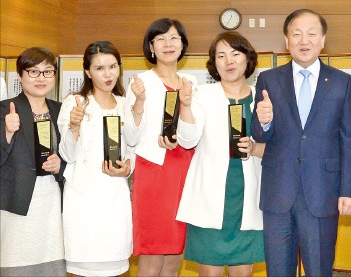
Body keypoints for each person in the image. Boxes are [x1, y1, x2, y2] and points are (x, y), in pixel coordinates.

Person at [251, 9, 351, 277]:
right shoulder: (269, 80)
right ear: (286, 41)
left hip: (323, 192)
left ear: (323, 40)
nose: (304, 40)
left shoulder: (342, 82)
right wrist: (264, 121)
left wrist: (349, 190)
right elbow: (259, 134)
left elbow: (349, 138)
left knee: (320, 270)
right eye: (296, 33)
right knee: (278, 270)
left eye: (312, 33)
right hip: (278, 193)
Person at [176, 32, 265, 277]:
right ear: (213, 63)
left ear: (247, 59)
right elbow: (187, 139)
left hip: (249, 199)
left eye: (236, 54)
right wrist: (185, 106)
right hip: (210, 198)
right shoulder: (202, 94)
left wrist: (257, 148)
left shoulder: (262, 96)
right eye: (221, 56)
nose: (229, 61)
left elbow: (278, 148)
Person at [124, 18, 197, 276]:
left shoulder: (190, 82)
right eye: (161, 39)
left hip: (186, 170)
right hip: (155, 171)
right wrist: (139, 101)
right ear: (151, 47)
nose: (168, 44)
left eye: (174, 38)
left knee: (175, 254)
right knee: (154, 253)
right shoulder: (140, 83)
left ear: (182, 45)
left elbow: (196, 129)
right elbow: (130, 135)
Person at [57, 41, 134, 276]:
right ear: (88, 72)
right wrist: (74, 125)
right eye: (99, 68)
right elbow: (68, 155)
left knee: (115, 267)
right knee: (83, 267)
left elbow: (133, 148)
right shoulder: (75, 103)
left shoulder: (125, 105)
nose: (108, 74)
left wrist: (128, 168)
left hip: (115, 197)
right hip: (83, 199)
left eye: (112, 66)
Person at [0, 47, 66, 276]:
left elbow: (74, 156)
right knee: (17, 266)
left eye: (48, 72)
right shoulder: (4, 109)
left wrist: (61, 165)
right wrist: (7, 132)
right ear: (20, 75)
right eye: (33, 72)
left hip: (52, 202)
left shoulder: (61, 110)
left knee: (52, 267)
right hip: (16, 202)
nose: (41, 78)